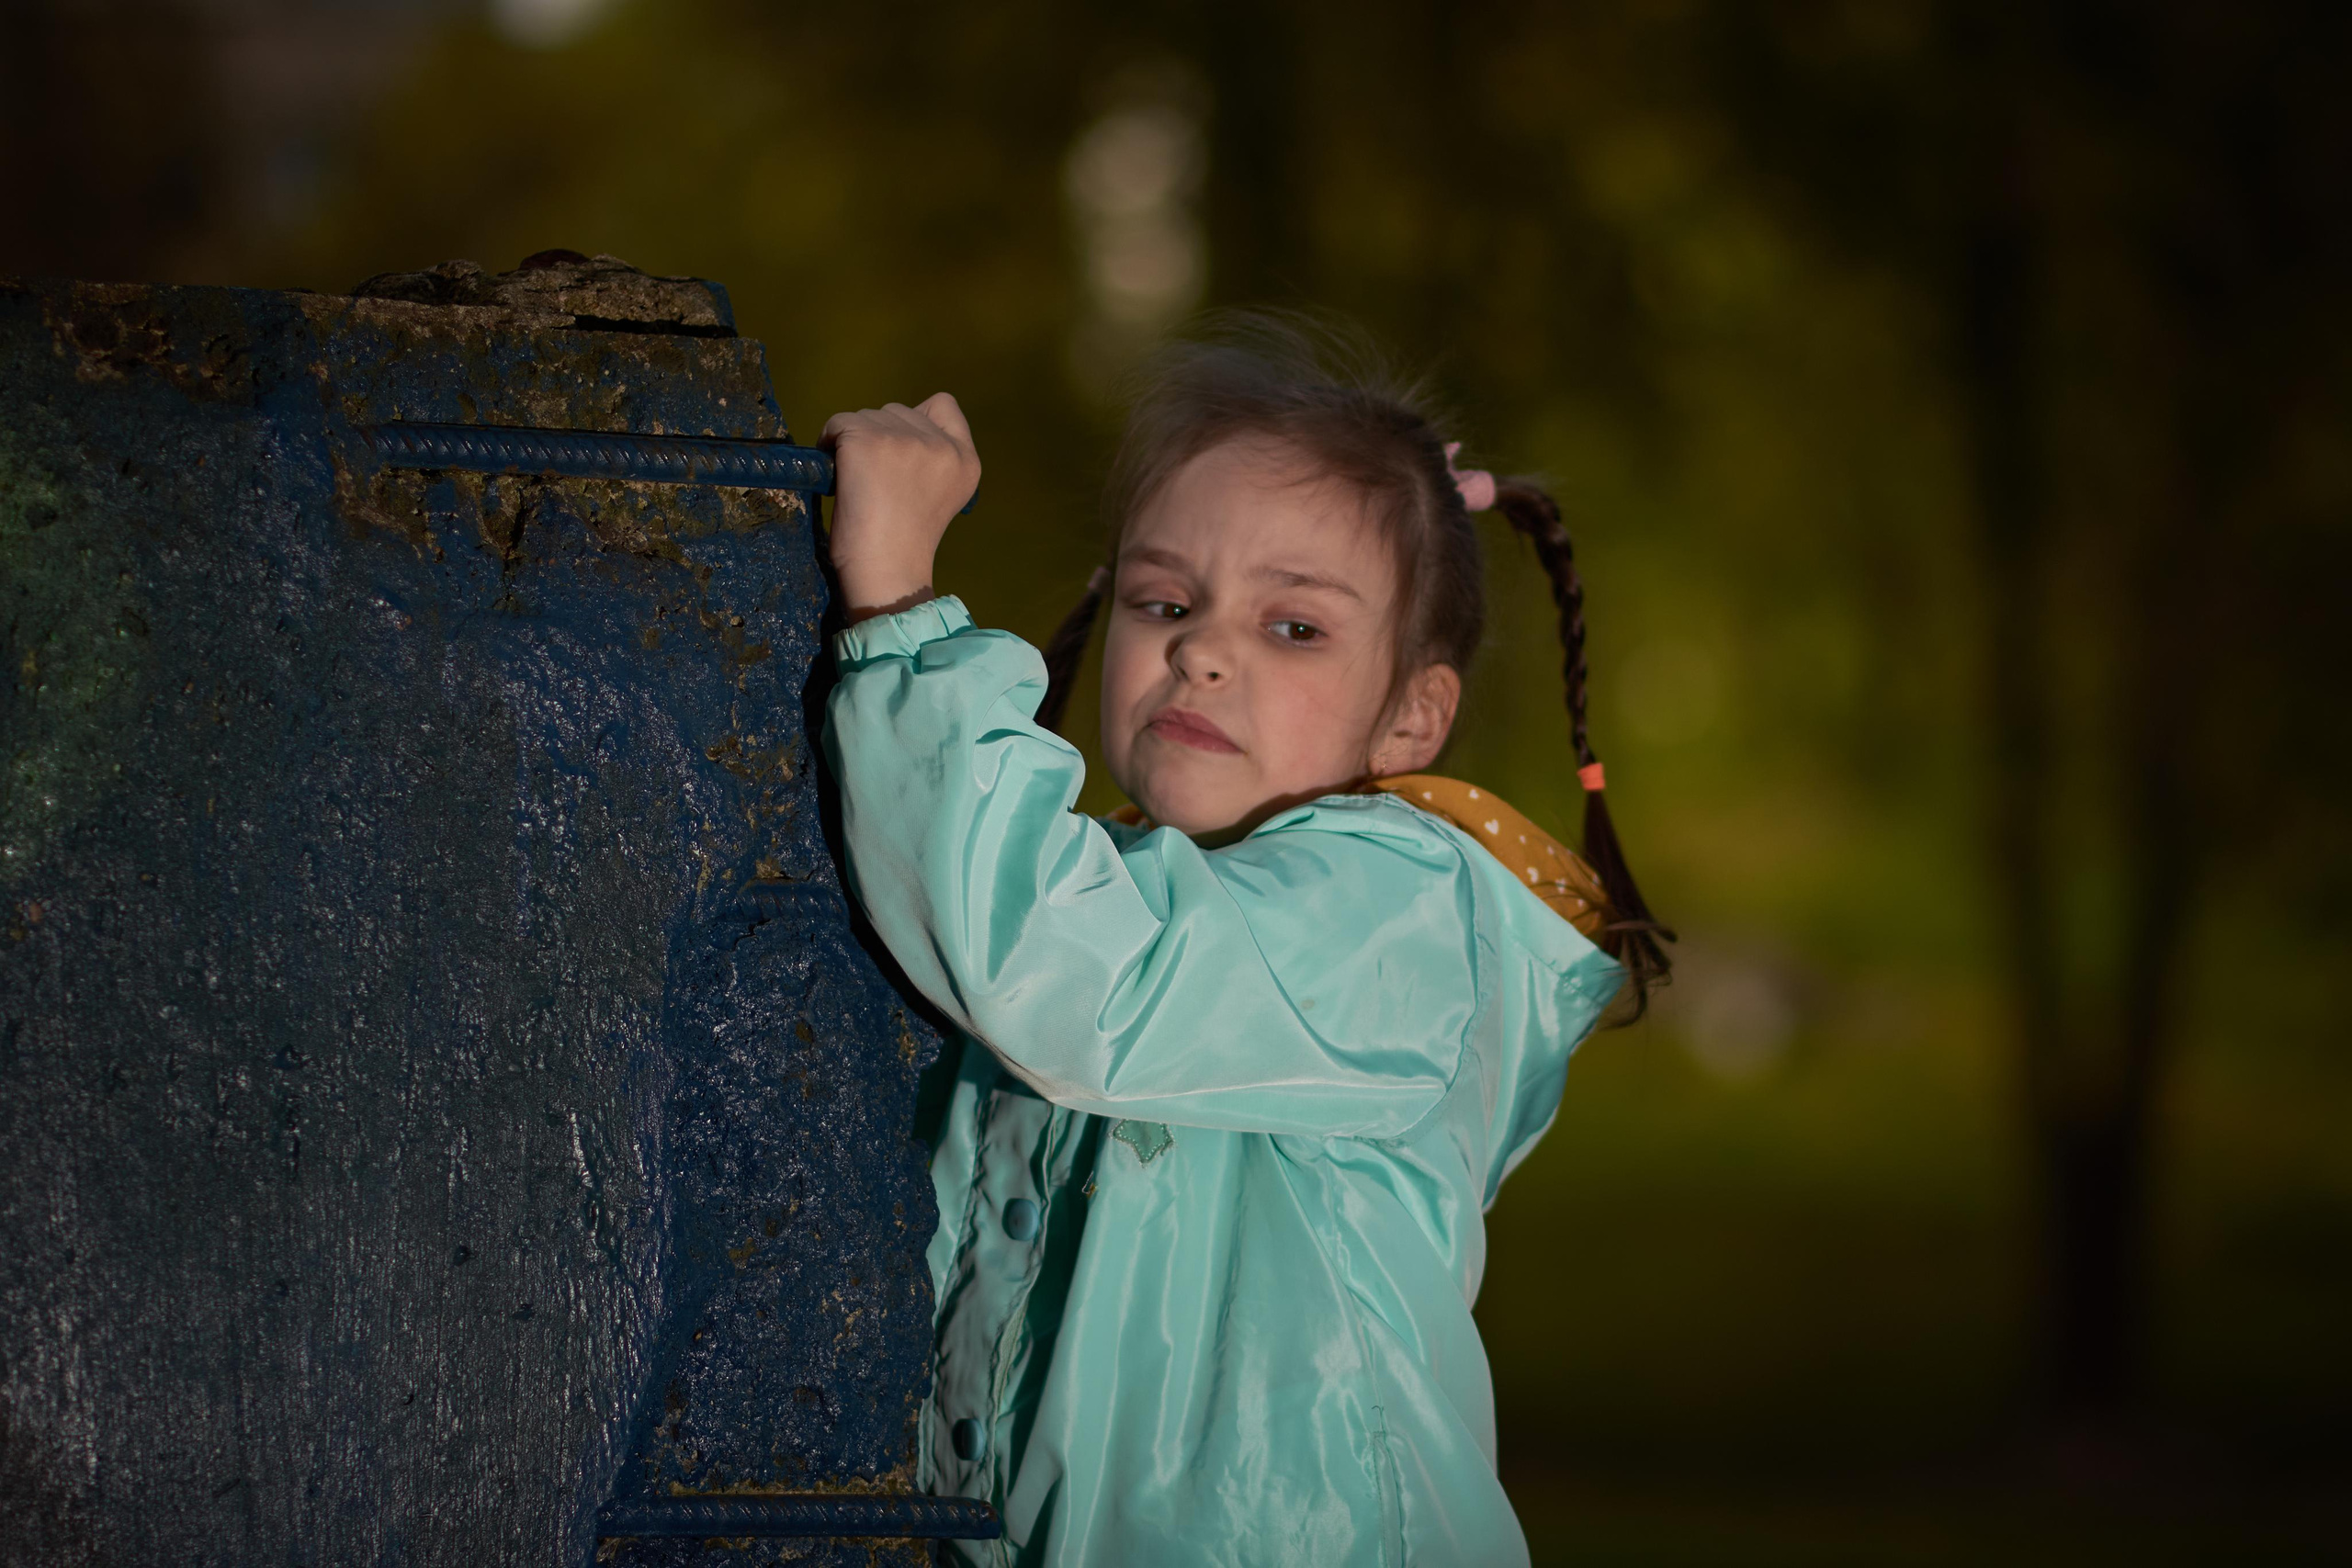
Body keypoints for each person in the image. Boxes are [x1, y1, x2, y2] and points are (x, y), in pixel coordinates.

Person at [820, 319, 1669, 1566]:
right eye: (1166, 601)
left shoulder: (1397, 913)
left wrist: (898, 609)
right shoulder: (1108, 881)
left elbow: (1089, 983)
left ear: (1411, 716)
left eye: (1295, 628)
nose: (1203, 650)